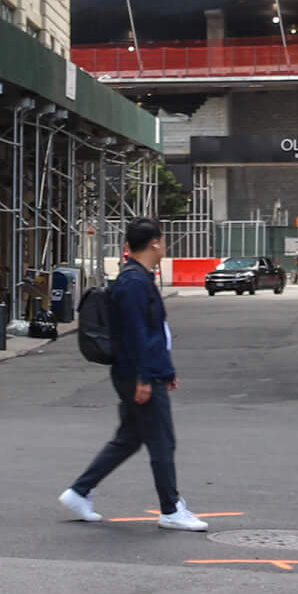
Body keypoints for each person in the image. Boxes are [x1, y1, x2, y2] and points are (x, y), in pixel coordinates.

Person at [59, 218, 208, 532]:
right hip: (138, 375)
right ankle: (171, 507)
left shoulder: (138, 278)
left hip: (144, 372)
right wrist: (145, 377)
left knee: (129, 438)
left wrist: (165, 370)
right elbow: (136, 335)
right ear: (154, 243)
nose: (165, 246)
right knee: (162, 442)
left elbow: (153, 333)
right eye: (163, 240)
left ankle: (79, 492)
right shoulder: (133, 282)